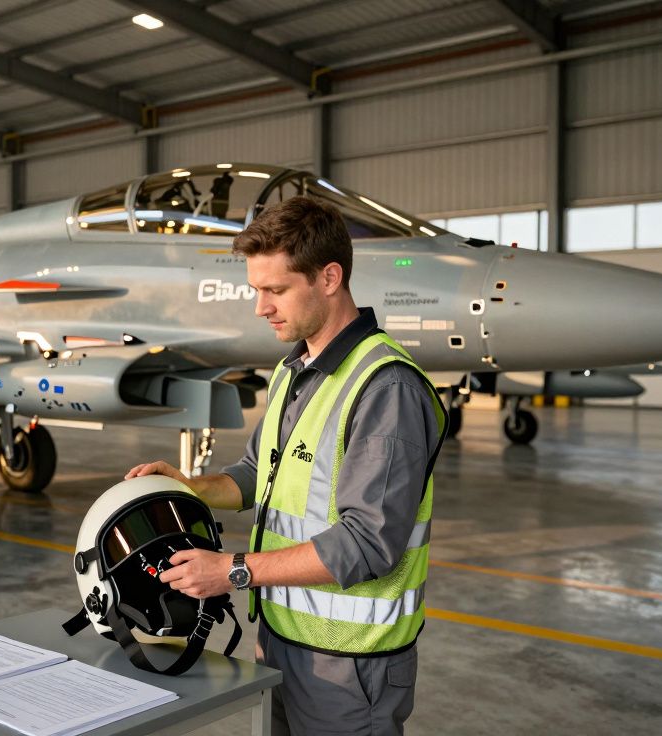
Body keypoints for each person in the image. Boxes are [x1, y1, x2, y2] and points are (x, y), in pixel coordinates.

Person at [126, 196, 446, 735]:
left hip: (352, 665)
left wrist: (230, 570)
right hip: (282, 638)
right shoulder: (294, 369)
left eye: (275, 290)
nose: (261, 307)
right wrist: (190, 487)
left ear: (329, 277)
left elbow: (368, 543)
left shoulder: (384, 387)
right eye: (257, 290)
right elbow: (258, 473)